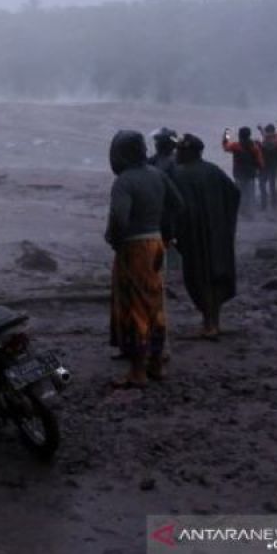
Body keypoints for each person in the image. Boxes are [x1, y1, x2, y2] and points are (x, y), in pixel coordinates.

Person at [106, 130, 183, 388]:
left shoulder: (124, 182)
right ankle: (156, 364)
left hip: (134, 247)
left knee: (135, 306)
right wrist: (162, 228)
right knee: (154, 304)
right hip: (156, 242)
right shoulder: (157, 175)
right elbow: (178, 203)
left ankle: (137, 372)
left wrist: (114, 239)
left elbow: (119, 217)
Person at [171, 134, 241, 338]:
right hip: (218, 234)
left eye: (180, 151)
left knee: (198, 277)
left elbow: (175, 206)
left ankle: (209, 324)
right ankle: (213, 322)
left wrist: (176, 231)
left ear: (188, 152)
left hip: (192, 237)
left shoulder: (178, 174)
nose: (177, 154)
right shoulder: (214, 171)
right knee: (216, 275)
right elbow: (234, 194)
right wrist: (225, 221)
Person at [222, 127, 263, 218]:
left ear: (240, 135)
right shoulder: (254, 147)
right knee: (249, 194)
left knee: (239, 193)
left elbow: (225, 147)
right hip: (251, 174)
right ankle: (249, 213)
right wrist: (259, 171)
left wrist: (226, 136)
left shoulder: (236, 146)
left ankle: (240, 212)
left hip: (238, 174)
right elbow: (260, 162)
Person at [258, 123, 277, 210]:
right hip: (272, 166)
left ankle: (264, 204)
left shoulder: (267, 141)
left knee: (263, 185)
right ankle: (272, 204)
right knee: (271, 185)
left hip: (265, 166)